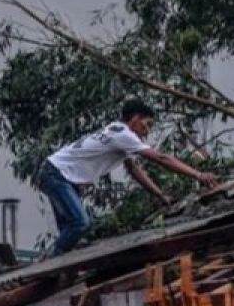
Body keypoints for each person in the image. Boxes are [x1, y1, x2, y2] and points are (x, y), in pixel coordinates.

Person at [36, 99, 218, 256]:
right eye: (146, 125)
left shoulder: (116, 130)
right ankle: (50, 265)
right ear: (135, 119)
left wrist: (160, 195)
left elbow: (134, 170)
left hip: (60, 174)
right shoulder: (125, 135)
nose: (146, 131)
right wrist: (198, 174)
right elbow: (161, 158)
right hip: (57, 175)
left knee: (70, 232)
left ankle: (58, 265)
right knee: (80, 224)